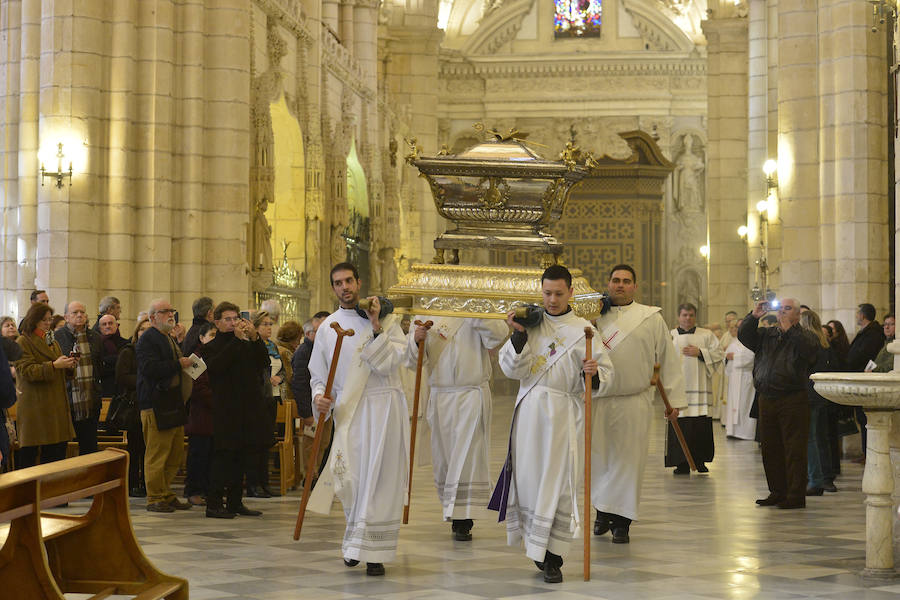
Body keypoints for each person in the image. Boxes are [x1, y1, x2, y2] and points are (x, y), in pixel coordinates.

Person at [490, 265, 613, 584]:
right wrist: (517, 335)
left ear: (571, 292)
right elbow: (511, 370)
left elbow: (607, 374)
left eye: (559, 293)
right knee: (531, 481)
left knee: (559, 483)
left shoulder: (584, 330)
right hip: (530, 413)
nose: (553, 299)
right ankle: (537, 547)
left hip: (564, 415)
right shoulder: (530, 323)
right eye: (547, 293)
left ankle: (554, 557)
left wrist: (593, 373)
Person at [309, 263, 407, 577]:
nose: (345, 287)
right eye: (338, 283)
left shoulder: (388, 322)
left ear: (359, 282)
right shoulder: (328, 327)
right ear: (333, 288)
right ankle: (355, 537)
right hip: (349, 411)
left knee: (377, 482)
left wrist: (377, 326)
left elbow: (392, 363)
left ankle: (372, 552)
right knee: (348, 480)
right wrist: (319, 397)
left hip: (383, 410)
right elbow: (317, 375)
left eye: (349, 280)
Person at [591, 264, 684, 545]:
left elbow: (668, 358)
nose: (620, 285)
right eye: (615, 280)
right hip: (599, 401)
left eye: (626, 281)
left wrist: (675, 399)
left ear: (635, 286)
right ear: (608, 284)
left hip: (635, 400)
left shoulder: (650, 318)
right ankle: (602, 511)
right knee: (600, 460)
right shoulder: (593, 316)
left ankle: (622, 522)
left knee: (628, 462)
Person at [405, 314, 508, 541]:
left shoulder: (475, 308)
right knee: (444, 460)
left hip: (470, 394)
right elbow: (413, 362)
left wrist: (475, 315)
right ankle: (453, 507)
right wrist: (416, 340)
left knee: (467, 456)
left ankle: (464, 518)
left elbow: (498, 336)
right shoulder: (424, 313)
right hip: (441, 395)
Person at [738, 298, 818, 509]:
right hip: (767, 398)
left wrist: (789, 330)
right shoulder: (767, 335)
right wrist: (753, 316)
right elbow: (744, 336)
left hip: (792, 399)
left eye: (787, 309)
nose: (782, 312)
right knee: (770, 449)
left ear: (797, 314)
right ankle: (777, 491)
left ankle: (795, 495)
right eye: (780, 308)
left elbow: (809, 352)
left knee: (794, 449)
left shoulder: (805, 336)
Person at [203, 300, 270, 519]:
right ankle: (213, 504)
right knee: (223, 457)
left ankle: (234, 502)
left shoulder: (245, 343)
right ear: (217, 322)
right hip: (225, 410)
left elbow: (263, 361)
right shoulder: (212, 346)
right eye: (228, 320)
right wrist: (238, 341)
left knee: (241, 456)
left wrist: (255, 338)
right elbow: (217, 366)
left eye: (236, 319)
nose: (233, 323)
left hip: (247, 409)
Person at [136, 299, 193, 513]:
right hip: (155, 404)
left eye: (172, 310)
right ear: (152, 318)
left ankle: (166, 492)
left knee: (175, 452)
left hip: (173, 403)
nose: (171, 315)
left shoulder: (167, 337)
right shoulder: (148, 339)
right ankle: (155, 497)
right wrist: (178, 364)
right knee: (157, 454)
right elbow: (149, 368)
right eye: (165, 311)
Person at [14, 303, 76, 468]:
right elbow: (27, 371)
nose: (48, 323)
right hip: (35, 407)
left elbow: (57, 365)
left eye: (50, 320)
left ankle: (51, 493)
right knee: (30, 457)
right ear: (34, 320)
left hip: (54, 406)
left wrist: (68, 366)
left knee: (55, 455)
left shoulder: (51, 341)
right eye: (44, 320)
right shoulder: (22, 341)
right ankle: (28, 493)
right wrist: (55, 365)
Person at [668, 303, 724, 473]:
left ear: (695, 316)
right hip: (678, 389)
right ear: (678, 316)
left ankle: (700, 461)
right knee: (680, 424)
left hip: (700, 389)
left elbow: (719, 354)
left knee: (700, 426)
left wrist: (700, 352)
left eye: (691, 315)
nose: (688, 318)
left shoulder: (706, 335)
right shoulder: (670, 336)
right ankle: (681, 462)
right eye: (684, 315)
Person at [54, 301, 102, 455]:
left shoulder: (95, 337)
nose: (79, 315)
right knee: (60, 448)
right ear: (66, 317)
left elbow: (98, 368)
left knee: (89, 448)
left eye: (82, 312)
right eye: (75, 313)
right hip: (67, 401)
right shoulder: (57, 337)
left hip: (90, 401)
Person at [291, 311, 332, 485]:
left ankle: (317, 475)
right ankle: (309, 477)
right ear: (309, 334)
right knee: (311, 445)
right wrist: (306, 413)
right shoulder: (303, 352)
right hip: (311, 408)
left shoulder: (321, 349)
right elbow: (299, 384)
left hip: (325, 406)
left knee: (323, 443)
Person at [801, 310, 839, 495]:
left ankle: (815, 479)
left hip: (809, 394)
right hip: (822, 394)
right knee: (821, 437)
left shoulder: (809, 342)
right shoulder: (824, 342)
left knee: (810, 438)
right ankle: (826, 477)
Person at [246, 310, 282, 498]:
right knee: (256, 443)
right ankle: (253, 484)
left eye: (270, 324)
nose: (269, 327)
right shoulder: (252, 346)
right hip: (257, 398)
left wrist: (279, 378)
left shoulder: (273, 346)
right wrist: (268, 379)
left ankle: (265, 483)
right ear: (255, 327)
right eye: (265, 324)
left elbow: (282, 369)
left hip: (272, 398)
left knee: (267, 441)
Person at [115, 317, 151, 497]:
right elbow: (121, 377)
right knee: (135, 447)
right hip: (134, 404)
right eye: (142, 329)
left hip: (152, 404)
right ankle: (132, 483)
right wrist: (143, 381)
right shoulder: (129, 351)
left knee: (149, 448)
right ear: (137, 332)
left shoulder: (155, 352)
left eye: (148, 329)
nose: (145, 332)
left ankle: (146, 483)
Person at [846, 303, 885, 461]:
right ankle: (865, 452)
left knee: (866, 417)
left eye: (857, 313)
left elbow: (863, 355)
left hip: (866, 378)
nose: (856, 316)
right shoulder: (867, 332)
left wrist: (848, 362)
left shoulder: (873, 334)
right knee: (862, 418)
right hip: (860, 377)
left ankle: (869, 453)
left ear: (862, 315)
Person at [184, 322, 217, 507]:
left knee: (213, 455)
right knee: (199, 454)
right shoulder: (194, 359)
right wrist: (218, 400)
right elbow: (196, 388)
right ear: (202, 338)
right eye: (211, 335)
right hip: (200, 415)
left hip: (217, 416)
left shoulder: (219, 356)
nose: (214, 338)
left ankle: (209, 490)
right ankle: (193, 490)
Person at [724, 319, 757, 441]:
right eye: (736, 327)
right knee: (734, 403)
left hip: (746, 378)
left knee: (744, 404)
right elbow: (726, 357)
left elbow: (751, 357)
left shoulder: (751, 340)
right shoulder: (734, 342)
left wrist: (735, 357)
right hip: (734, 377)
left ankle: (745, 432)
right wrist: (727, 358)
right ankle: (732, 431)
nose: (737, 330)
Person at [97, 314, 128, 399]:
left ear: (117, 325)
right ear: (100, 328)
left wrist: (106, 361)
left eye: (110, 323)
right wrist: (117, 359)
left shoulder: (126, 343)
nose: (108, 326)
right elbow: (99, 366)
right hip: (104, 387)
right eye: (104, 324)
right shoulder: (96, 345)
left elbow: (126, 365)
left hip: (123, 386)